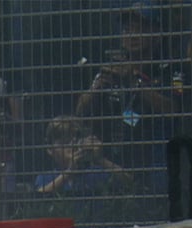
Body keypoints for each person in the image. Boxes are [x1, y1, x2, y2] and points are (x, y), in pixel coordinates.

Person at [74, 2, 179, 194]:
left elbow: (172, 109)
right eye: (127, 29)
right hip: (113, 161)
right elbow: (80, 111)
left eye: (139, 28)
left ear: (156, 32)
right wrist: (97, 86)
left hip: (154, 159)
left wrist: (134, 82)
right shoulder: (113, 66)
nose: (131, 35)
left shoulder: (170, 69)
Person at [33, 117, 133, 195]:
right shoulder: (45, 178)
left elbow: (129, 182)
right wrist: (68, 173)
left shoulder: (96, 173)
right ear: (50, 150)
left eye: (76, 140)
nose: (72, 145)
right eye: (65, 142)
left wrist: (99, 159)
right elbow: (40, 198)